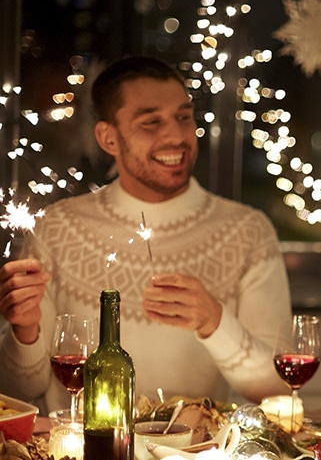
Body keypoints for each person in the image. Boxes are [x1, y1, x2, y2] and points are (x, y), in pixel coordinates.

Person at [0, 56, 290, 410]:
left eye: (184, 117)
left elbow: (277, 386)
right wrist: (24, 333)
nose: (177, 136)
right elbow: (17, 391)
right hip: (78, 459)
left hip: (197, 458)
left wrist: (215, 322)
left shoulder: (247, 231)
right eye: (151, 122)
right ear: (108, 138)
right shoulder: (56, 229)